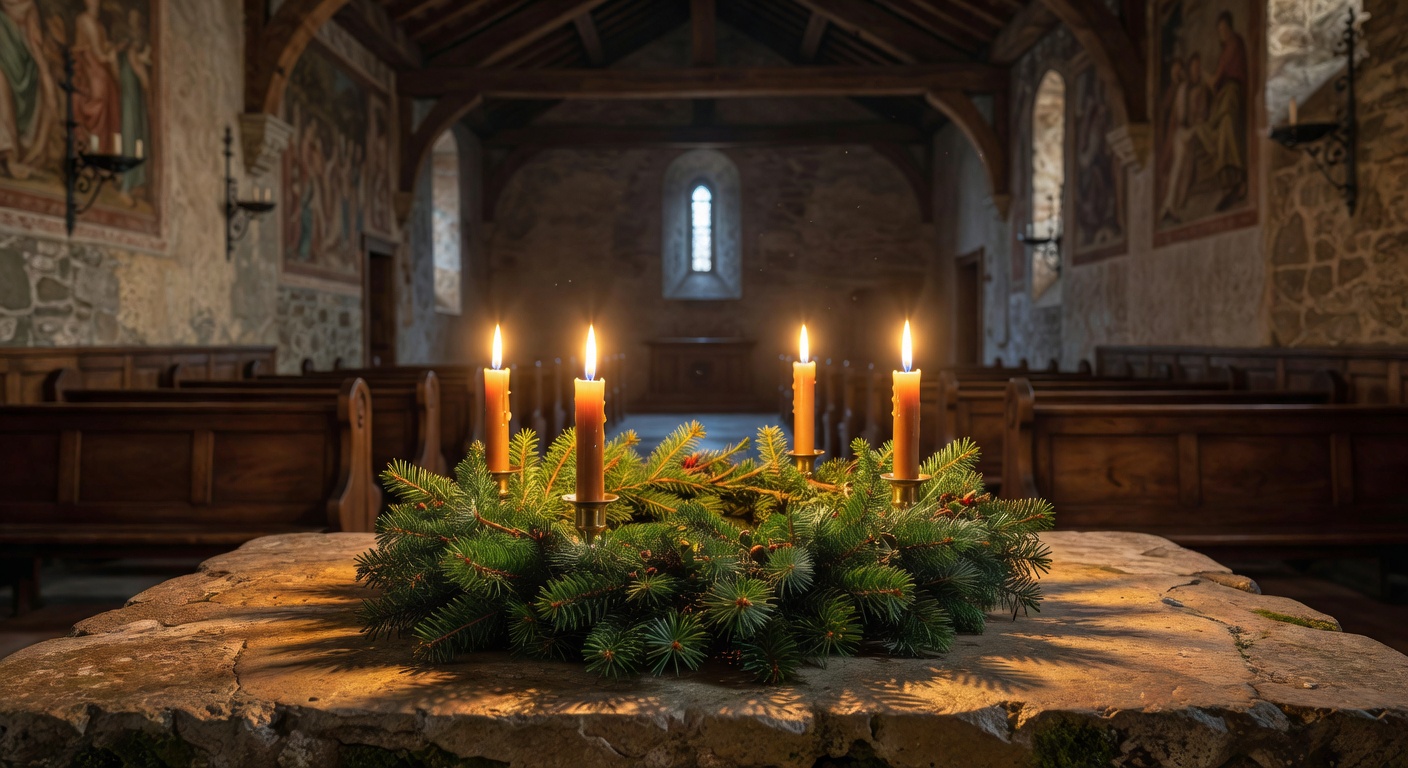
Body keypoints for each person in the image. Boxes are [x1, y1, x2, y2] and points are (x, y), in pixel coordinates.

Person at [1193, 10, 1249, 211]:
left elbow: (1216, 80)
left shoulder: (1233, 45)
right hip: (1225, 97)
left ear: (1230, 28)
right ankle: (1229, 184)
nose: (1222, 33)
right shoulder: (1229, 47)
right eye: (1219, 31)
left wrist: (1203, 74)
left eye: (1224, 29)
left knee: (1227, 132)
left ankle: (1237, 181)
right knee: (1218, 134)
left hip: (1231, 96)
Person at [0, 0, 58, 180]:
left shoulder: (30, 7)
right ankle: (9, 151)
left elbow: (36, 44)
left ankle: (19, 153)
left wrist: (45, 73)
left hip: (26, 68)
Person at [119, 7, 151, 201]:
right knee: (132, 136)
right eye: (132, 22)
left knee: (137, 137)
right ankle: (128, 183)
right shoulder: (129, 50)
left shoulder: (133, 50)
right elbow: (145, 81)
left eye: (137, 22)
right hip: (130, 103)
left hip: (135, 103)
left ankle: (135, 182)